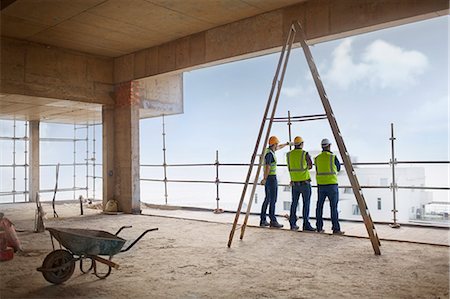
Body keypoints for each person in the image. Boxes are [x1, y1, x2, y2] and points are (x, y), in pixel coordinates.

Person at [314, 138, 344, 235]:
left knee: (319, 206)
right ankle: (336, 229)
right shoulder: (333, 157)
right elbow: (338, 168)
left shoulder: (317, 158)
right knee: (333, 207)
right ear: (329, 145)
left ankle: (319, 227)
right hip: (332, 185)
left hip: (321, 185)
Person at [286, 136, 315, 231]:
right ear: (301, 144)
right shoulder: (304, 154)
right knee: (306, 204)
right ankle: (306, 224)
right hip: (304, 183)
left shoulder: (289, 155)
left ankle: (292, 224)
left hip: (294, 183)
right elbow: (310, 166)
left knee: (294, 203)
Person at [260, 136, 288, 228]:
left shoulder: (269, 151)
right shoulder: (270, 154)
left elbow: (280, 147)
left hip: (269, 178)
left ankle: (263, 220)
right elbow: (268, 166)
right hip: (271, 178)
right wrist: (264, 178)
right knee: (272, 200)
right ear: (274, 144)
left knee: (267, 199)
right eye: (276, 144)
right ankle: (273, 220)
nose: (277, 146)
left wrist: (287, 144)